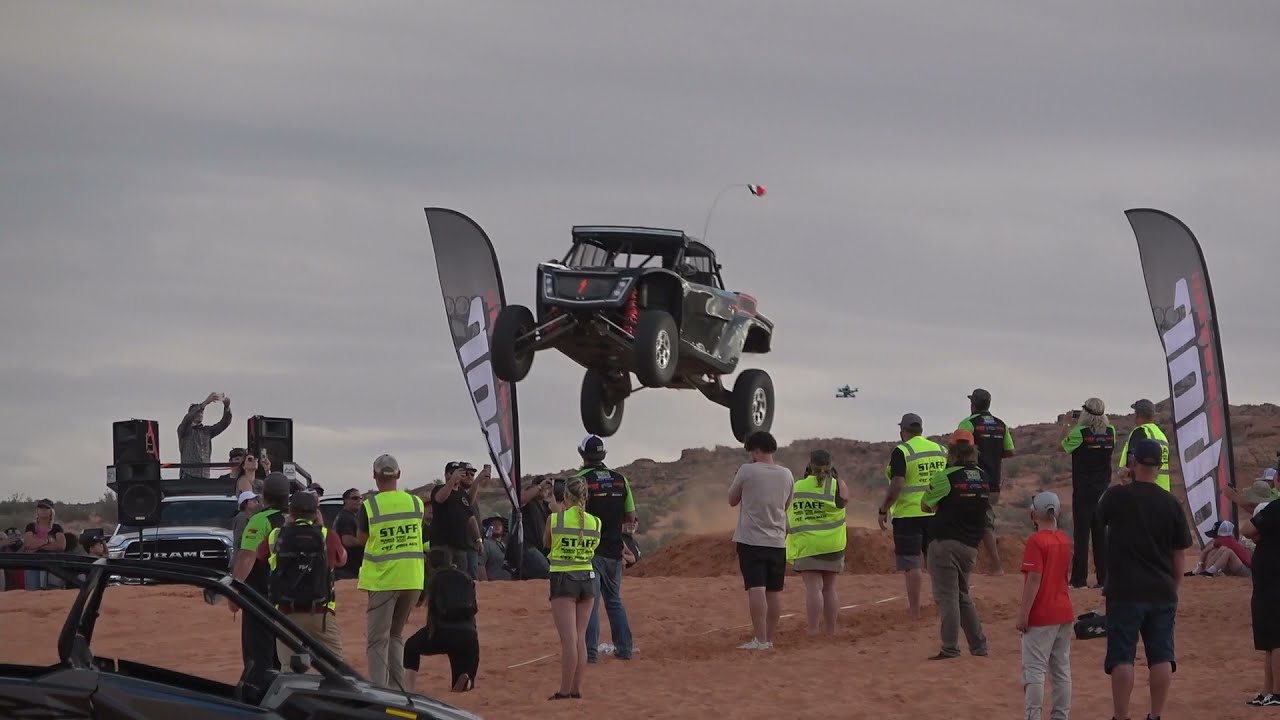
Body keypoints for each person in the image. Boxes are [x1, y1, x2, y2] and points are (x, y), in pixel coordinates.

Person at [1096, 438, 1192, 720]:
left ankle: (1121, 715)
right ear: (1160, 466)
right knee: (1162, 656)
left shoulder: (1118, 496)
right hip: (1161, 589)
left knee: (1122, 657)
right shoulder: (1171, 503)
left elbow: (1097, 516)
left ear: (1133, 463)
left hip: (1125, 590)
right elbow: (1179, 555)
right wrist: (1174, 587)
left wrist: (1117, 482)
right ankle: (1156, 715)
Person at [357, 454, 427, 690]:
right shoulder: (416, 503)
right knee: (396, 635)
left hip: (383, 579)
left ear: (375, 476)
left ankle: (379, 692)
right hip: (412, 578)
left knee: (377, 641)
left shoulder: (370, 506)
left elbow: (362, 538)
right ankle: (398, 691)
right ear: (398, 475)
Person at [919, 429, 990, 660]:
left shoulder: (945, 477)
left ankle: (950, 647)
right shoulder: (982, 476)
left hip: (945, 543)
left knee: (947, 596)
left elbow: (925, 506)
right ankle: (978, 646)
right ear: (973, 450)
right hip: (970, 545)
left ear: (951, 450)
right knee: (962, 595)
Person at [257, 489, 346, 660]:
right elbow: (342, 559)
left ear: (290, 511)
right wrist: (321, 526)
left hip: (287, 613)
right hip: (321, 612)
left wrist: (286, 527)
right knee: (336, 670)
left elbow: (260, 555)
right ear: (316, 512)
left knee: (289, 671)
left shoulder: (276, 535)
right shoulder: (327, 535)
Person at [729, 430, 794, 650]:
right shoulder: (787, 474)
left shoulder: (747, 470)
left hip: (751, 540)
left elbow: (732, 500)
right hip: (777, 540)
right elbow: (785, 505)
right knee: (774, 591)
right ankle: (769, 638)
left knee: (756, 588)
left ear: (756, 450)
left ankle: (760, 638)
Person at [878, 413, 947, 619]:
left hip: (908, 515)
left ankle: (915, 611)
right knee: (936, 561)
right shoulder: (941, 450)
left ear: (903, 431)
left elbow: (897, 484)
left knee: (911, 563)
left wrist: (884, 508)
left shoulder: (902, 451)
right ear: (922, 430)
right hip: (936, 513)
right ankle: (942, 604)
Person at [577, 435, 637, 662]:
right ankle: (625, 649)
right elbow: (630, 516)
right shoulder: (621, 479)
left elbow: (571, 514)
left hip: (588, 549)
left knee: (590, 601)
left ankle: (590, 654)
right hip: (614, 548)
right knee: (614, 600)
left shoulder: (579, 480)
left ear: (582, 454)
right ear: (604, 455)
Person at [229, 473, 290, 693]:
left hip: (261, 598)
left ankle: (259, 697)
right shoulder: (299, 518)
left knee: (259, 656)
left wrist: (235, 590)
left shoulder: (260, 520)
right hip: (292, 600)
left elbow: (247, 556)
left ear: (264, 496)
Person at [1017, 491, 1075, 720]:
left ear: (1033, 514)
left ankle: (1033, 716)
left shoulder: (1035, 541)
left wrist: (1024, 614)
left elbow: (1034, 579)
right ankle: (1061, 715)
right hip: (1063, 610)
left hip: (1043, 613)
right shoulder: (1063, 539)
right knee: (1061, 669)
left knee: (1035, 670)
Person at [546, 475, 601, 700]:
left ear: (566, 496)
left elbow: (547, 543)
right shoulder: (596, 522)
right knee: (579, 637)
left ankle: (564, 690)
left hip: (563, 578)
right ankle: (576, 689)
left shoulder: (555, 519)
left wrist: (556, 509)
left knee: (568, 639)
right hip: (588, 578)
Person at [785, 449, 848, 635]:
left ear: (810, 465)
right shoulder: (837, 485)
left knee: (814, 588)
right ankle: (830, 630)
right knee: (829, 588)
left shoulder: (797, 486)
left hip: (807, 545)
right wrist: (835, 477)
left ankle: (813, 630)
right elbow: (844, 500)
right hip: (833, 545)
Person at [404, 548, 480, 693]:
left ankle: (409, 688)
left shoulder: (434, 578)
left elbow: (419, 603)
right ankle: (467, 680)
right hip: (468, 635)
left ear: (430, 564)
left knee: (411, 646)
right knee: (462, 671)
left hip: (442, 631)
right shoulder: (466, 577)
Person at [957, 388, 1015, 575]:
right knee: (982, 519)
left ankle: (995, 566)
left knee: (979, 522)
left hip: (971, 480)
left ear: (972, 404)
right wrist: (993, 453)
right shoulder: (1000, 425)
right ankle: (983, 564)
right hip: (993, 482)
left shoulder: (968, 423)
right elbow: (1010, 451)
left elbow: (960, 449)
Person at [1061, 397, 1117, 588]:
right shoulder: (1111, 432)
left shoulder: (1079, 432)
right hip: (1103, 490)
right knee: (1101, 536)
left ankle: (1079, 580)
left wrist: (1067, 423)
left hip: (1084, 490)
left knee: (1082, 537)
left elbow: (1063, 446)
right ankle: (1104, 578)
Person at [1242, 491, 1280, 706]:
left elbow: (1247, 530)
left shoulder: (1275, 508)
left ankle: (1276, 692)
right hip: (1270, 583)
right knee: (1270, 641)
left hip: (1273, 583)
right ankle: (1268, 691)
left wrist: (1260, 535)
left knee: (1275, 639)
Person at [430, 461, 483, 576]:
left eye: (459, 473)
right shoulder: (439, 489)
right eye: (453, 472)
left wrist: (478, 539)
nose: (457, 475)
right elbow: (440, 499)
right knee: (441, 579)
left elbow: (470, 513)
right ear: (447, 474)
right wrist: (452, 481)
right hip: (442, 545)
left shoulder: (461, 493)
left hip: (460, 546)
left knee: (461, 579)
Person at [1117, 399, 1171, 492]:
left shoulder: (1140, 432)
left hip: (1144, 491)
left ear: (1138, 414)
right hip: (1163, 491)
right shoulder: (1160, 435)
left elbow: (1131, 464)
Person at [178, 392, 232, 478]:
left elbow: (224, 423)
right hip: (188, 475)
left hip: (205, 475)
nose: (200, 414)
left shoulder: (207, 431)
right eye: (198, 412)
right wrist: (205, 403)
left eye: (202, 412)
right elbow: (187, 419)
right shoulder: (184, 430)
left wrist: (227, 407)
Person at [21, 499, 67, 590]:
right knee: (32, 591)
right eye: (41, 508)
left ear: (51, 511)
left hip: (52, 562)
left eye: (46, 508)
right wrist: (47, 541)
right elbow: (28, 544)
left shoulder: (56, 528)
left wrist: (36, 543)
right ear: (37, 510)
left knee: (52, 591)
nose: (43, 510)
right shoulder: (30, 526)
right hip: (33, 563)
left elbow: (60, 546)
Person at [333, 488, 365, 580]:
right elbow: (347, 540)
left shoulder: (352, 516)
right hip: (346, 570)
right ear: (345, 500)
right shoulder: (345, 517)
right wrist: (366, 541)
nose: (359, 500)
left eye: (360, 498)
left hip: (351, 569)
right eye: (355, 498)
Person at [229, 490, 260, 568]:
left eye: (256, 500)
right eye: (252, 500)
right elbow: (239, 539)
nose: (256, 502)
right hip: (240, 561)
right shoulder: (242, 517)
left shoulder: (252, 517)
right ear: (245, 503)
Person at [478, 516, 511, 581]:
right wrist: (485, 584)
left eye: (499, 524)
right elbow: (480, 565)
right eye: (494, 524)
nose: (497, 526)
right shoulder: (486, 544)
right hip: (493, 585)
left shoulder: (506, 546)